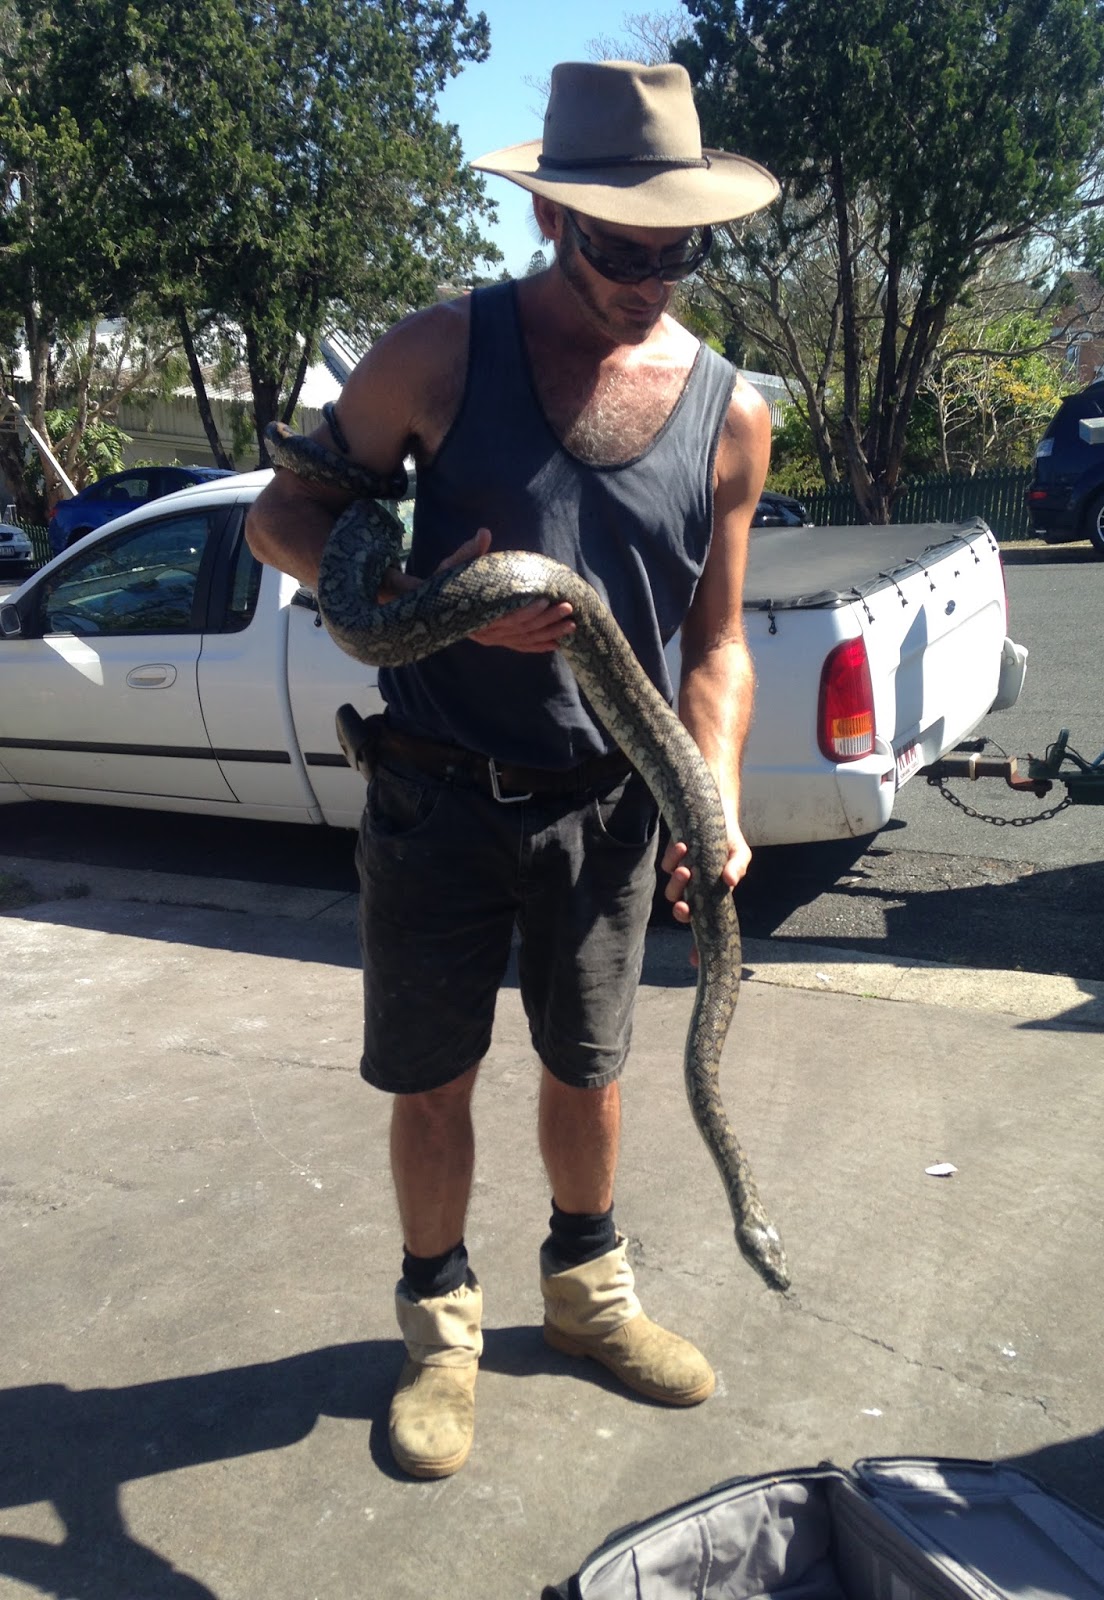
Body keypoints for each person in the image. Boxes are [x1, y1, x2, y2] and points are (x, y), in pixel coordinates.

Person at [246, 59, 779, 1480]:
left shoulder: (731, 413)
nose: (649, 281)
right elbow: (281, 521)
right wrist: (426, 597)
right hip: (432, 792)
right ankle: (440, 1335)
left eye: (678, 253)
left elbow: (718, 645)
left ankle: (589, 1302)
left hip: (605, 810)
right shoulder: (438, 351)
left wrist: (712, 795)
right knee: (434, 1079)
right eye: (619, 249)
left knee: (587, 1070)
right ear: (553, 219)